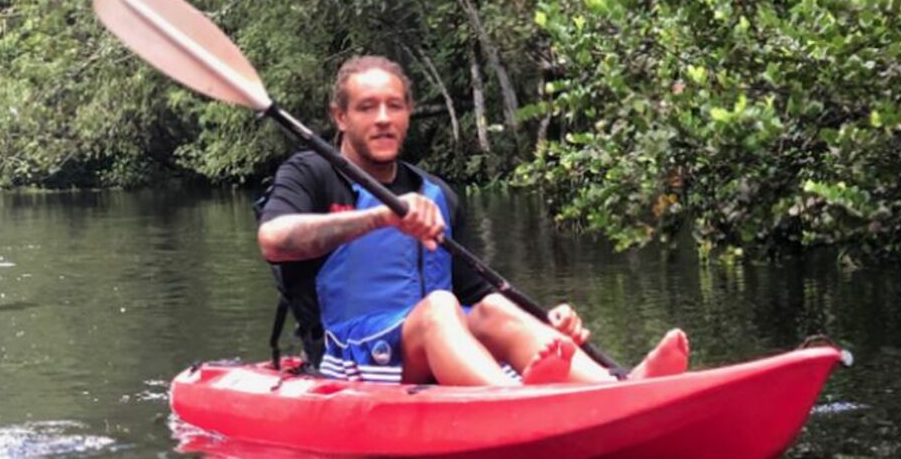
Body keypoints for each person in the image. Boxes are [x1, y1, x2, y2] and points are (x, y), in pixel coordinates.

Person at [257, 55, 688, 386]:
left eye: (394, 106)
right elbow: (273, 240)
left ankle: (619, 386)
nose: (383, 118)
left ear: (408, 113)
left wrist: (545, 327)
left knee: (493, 308)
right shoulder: (311, 173)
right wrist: (379, 218)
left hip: (433, 345)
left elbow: (477, 293)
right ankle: (514, 403)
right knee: (440, 307)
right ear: (341, 117)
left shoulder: (435, 193)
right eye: (367, 108)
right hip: (347, 357)